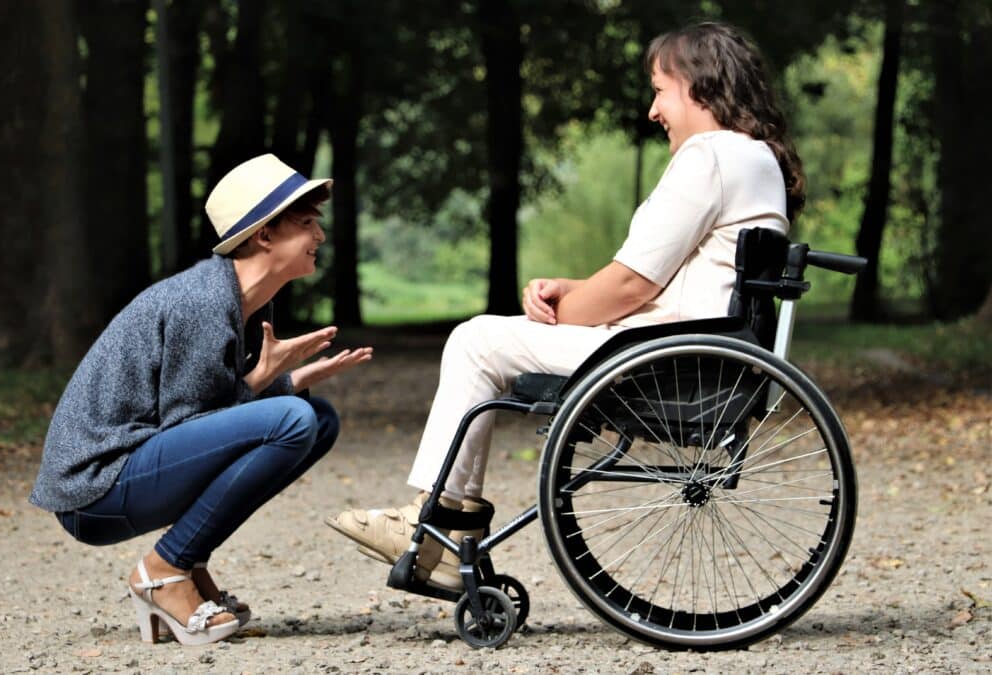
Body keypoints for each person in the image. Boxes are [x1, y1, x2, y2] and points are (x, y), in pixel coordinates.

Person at [326, 21, 804, 591]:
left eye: (659, 90)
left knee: (477, 341)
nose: (653, 111)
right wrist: (570, 290)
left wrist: (561, 312)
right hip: (697, 349)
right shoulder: (755, 159)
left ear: (699, 85)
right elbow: (661, 281)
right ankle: (443, 525)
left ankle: (439, 530)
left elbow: (631, 288)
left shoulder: (712, 155)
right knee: (488, 338)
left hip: (668, 358)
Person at [30, 154, 372, 645]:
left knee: (318, 419)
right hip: (95, 487)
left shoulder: (242, 300)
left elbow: (213, 419)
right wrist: (267, 380)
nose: (319, 236)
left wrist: (287, 381)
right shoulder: (203, 303)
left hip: (137, 467)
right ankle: (164, 571)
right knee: (296, 419)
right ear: (265, 235)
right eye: (306, 223)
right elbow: (192, 424)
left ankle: (184, 560)